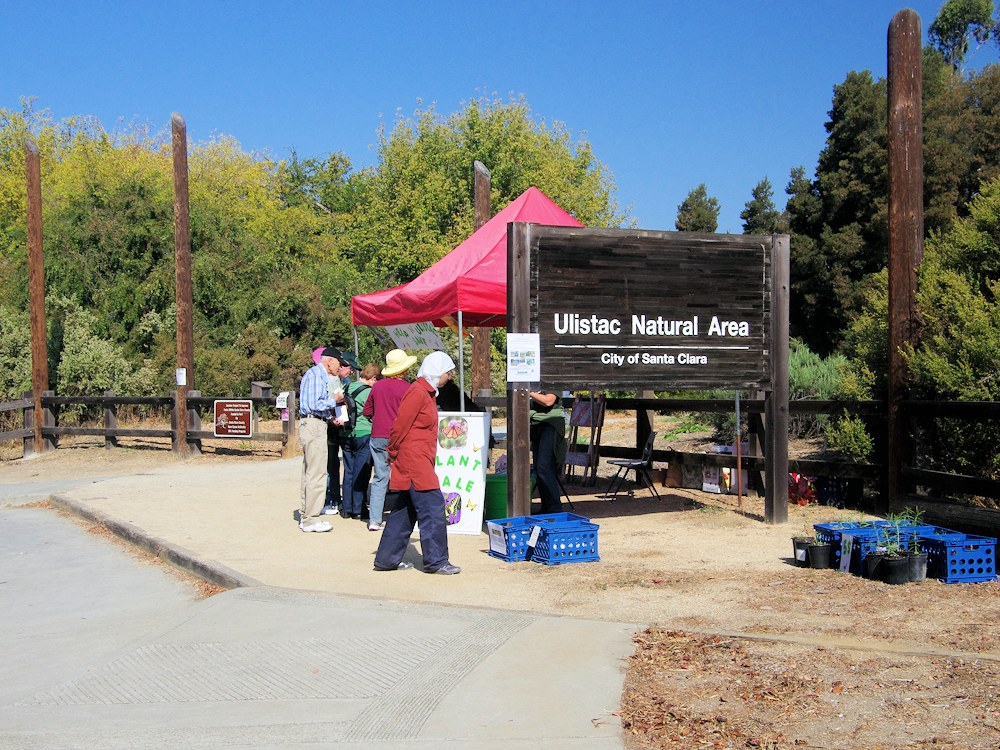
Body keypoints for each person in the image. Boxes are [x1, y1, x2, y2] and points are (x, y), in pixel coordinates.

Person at [373, 351, 461, 574]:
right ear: (437, 371)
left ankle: (386, 559)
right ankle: (437, 561)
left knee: (405, 510)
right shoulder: (418, 392)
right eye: (447, 372)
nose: (449, 377)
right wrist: (392, 451)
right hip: (415, 461)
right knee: (433, 509)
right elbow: (400, 425)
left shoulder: (426, 392)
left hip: (417, 459)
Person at [363, 348, 417, 531]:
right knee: (406, 476)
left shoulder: (377, 386)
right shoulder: (408, 388)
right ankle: (404, 517)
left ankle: (375, 520)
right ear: (404, 370)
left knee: (380, 477)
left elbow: (367, 412)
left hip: (378, 435)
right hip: (400, 437)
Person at [297, 348, 342, 532]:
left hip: (312, 423)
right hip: (314, 425)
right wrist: (335, 400)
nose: (339, 367)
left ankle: (306, 515)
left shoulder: (314, 374)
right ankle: (311, 520)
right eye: (338, 363)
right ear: (329, 361)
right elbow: (315, 404)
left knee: (309, 472)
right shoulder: (317, 374)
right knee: (317, 473)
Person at [340, 363, 379, 522]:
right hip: (364, 432)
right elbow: (373, 413)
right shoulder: (369, 392)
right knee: (361, 472)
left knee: (348, 470)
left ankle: (346, 508)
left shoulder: (347, 387)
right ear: (373, 378)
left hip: (346, 433)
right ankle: (358, 508)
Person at [529, 390, 567, 514]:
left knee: (544, 467)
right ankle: (546, 507)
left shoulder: (551, 381)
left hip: (550, 425)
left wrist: (528, 392)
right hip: (536, 426)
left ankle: (555, 508)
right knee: (539, 469)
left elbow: (548, 401)